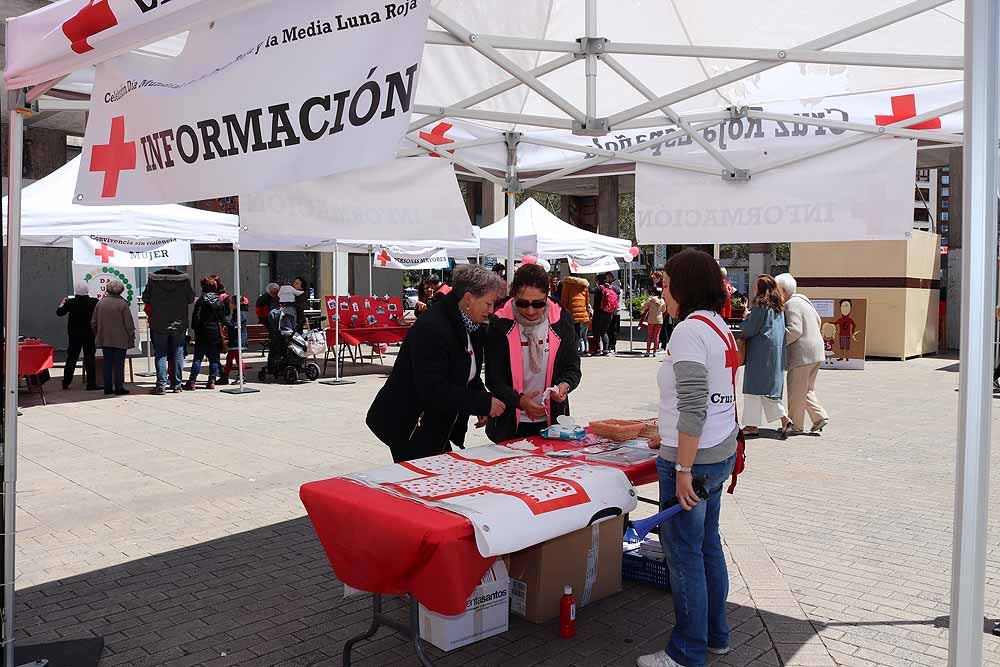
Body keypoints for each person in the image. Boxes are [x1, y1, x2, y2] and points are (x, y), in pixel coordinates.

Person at [640, 248, 738, 667]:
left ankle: (686, 652)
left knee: (684, 557)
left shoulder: (688, 331)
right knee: (706, 546)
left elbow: (695, 403)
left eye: (665, 284)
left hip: (694, 462)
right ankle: (716, 636)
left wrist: (681, 465)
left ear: (683, 286)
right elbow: (715, 399)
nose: (663, 290)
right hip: (717, 452)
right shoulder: (719, 327)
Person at [366, 265, 507, 462]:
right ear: (468, 299)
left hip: (432, 423)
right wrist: (482, 403)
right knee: (425, 483)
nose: (491, 310)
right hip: (408, 424)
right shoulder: (433, 328)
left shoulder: (470, 324)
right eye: (488, 303)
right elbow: (434, 388)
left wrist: (481, 398)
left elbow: (467, 371)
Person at [485, 263, 581, 442]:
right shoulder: (499, 322)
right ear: (513, 295)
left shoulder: (561, 318)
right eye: (522, 303)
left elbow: (572, 368)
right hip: (509, 424)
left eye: (538, 304)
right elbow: (493, 379)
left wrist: (564, 386)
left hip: (553, 423)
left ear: (548, 295)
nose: (530, 311)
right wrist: (519, 401)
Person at [737, 275, 792, 438]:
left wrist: (745, 318)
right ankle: (781, 420)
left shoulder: (760, 305)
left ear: (760, 289)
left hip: (759, 353)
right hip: (774, 352)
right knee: (766, 390)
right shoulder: (778, 307)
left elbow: (750, 329)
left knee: (753, 389)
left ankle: (754, 424)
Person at [776, 274, 829, 434]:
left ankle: (796, 426)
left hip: (802, 354)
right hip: (816, 352)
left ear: (783, 291)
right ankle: (819, 416)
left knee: (796, 391)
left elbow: (795, 330)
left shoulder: (791, 305)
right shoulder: (805, 302)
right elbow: (818, 321)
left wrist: (777, 341)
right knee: (807, 389)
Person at [142, 267, 194, 394]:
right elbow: (191, 298)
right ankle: (177, 385)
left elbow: (145, 298)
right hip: (179, 322)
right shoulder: (184, 280)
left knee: (161, 353)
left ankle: (161, 385)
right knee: (178, 352)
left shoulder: (153, 280)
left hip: (159, 322)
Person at [91, 280, 135, 396]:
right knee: (119, 364)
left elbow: (93, 322)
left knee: (107, 363)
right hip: (120, 339)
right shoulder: (123, 304)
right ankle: (119, 387)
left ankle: (108, 387)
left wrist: (98, 333)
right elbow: (129, 324)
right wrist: (131, 336)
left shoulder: (100, 303)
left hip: (105, 338)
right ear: (121, 291)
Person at [184, 276, 227, 390]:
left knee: (198, 358)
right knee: (214, 358)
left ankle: (192, 381)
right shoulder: (219, 301)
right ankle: (211, 381)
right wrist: (230, 326)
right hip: (215, 331)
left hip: (203, 331)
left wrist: (195, 329)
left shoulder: (201, 300)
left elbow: (195, 317)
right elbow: (223, 318)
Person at [57, 281, 100, 390]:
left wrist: (62, 303)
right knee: (89, 357)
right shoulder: (94, 302)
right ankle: (91, 383)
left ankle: (66, 382)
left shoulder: (70, 302)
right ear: (87, 290)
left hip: (74, 334)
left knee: (72, 358)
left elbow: (59, 312)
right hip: (89, 333)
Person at [218, 295, 249, 385]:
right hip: (235, 339)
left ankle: (241, 377)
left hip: (238, 340)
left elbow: (234, 326)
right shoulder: (236, 312)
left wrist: (225, 321)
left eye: (231, 302)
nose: (229, 304)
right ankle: (225, 376)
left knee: (238, 358)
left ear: (235, 304)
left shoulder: (240, 313)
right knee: (229, 358)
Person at [560, 275, 591, 355]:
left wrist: (563, 311)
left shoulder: (567, 284)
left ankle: (574, 349)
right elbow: (587, 300)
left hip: (571, 312)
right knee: (580, 333)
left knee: (571, 332)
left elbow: (564, 299)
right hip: (582, 312)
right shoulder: (584, 285)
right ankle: (582, 349)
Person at [591, 273, 617, 355]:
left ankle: (597, 349)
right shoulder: (611, 288)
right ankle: (606, 350)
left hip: (599, 313)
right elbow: (618, 291)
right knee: (604, 331)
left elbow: (590, 290)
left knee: (596, 331)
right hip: (609, 313)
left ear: (598, 281)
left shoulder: (599, 288)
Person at [638, 286, 666, 358]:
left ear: (653, 292)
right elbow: (664, 310)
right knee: (656, 336)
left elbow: (644, 307)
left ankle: (647, 351)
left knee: (649, 336)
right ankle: (655, 352)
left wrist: (642, 304)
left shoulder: (650, 299)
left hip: (651, 320)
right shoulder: (662, 300)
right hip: (659, 320)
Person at [606, 271, 622, 354]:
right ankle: (611, 345)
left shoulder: (614, 286)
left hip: (614, 310)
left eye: (607, 278)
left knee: (612, 329)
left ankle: (612, 345)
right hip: (615, 310)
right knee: (611, 329)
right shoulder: (616, 285)